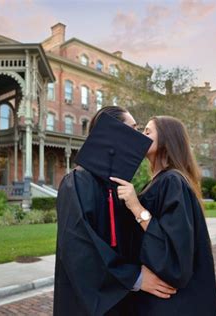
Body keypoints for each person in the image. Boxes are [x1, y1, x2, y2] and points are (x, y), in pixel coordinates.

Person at [53, 107, 177, 316]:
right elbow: (80, 249)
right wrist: (134, 277)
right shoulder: (77, 182)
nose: (139, 139)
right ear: (112, 132)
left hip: (121, 302)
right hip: (86, 306)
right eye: (133, 129)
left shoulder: (118, 188)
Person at [111, 116, 216, 315]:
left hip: (170, 303)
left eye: (147, 132)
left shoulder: (172, 181)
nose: (140, 136)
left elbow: (175, 254)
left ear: (167, 139)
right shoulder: (161, 181)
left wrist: (136, 207)